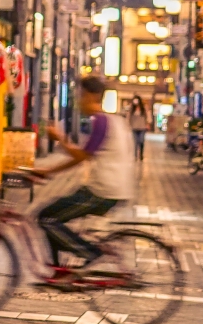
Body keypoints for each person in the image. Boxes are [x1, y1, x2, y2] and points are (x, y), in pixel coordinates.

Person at [32, 76, 137, 260]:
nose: (78, 101)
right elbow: (84, 154)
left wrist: (58, 144)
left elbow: (81, 157)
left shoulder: (101, 122)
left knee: (48, 219)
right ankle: (58, 270)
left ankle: (90, 254)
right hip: (113, 189)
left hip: (102, 192)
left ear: (91, 96)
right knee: (54, 215)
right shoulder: (115, 121)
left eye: (80, 96)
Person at [128, 95, 150, 161]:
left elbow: (147, 116)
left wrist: (147, 124)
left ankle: (141, 155)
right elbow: (129, 117)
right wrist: (128, 125)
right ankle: (135, 156)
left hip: (142, 127)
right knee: (135, 142)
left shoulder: (144, 108)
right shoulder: (132, 108)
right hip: (134, 127)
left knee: (141, 141)